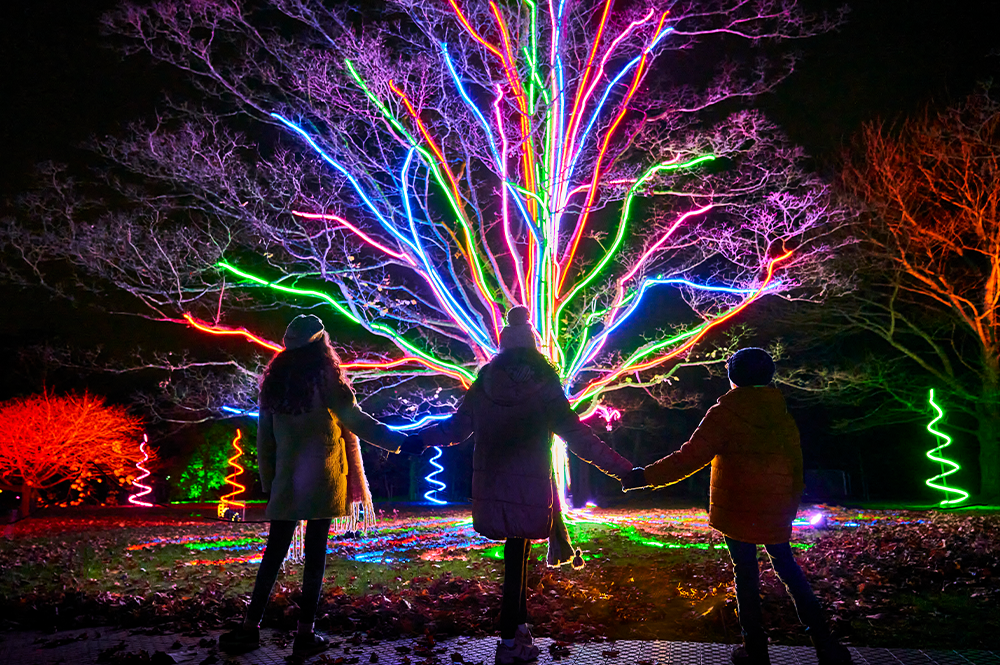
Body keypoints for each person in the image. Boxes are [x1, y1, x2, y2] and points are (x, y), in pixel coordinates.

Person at [418, 306, 634, 665]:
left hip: (493, 480)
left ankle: (516, 631)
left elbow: (456, 429)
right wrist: (623, 470)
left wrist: (415, 440)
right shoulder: (544, 386)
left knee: (514, 556)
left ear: (503, 347)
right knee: (518, 556)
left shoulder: (485, 383)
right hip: (531, 482)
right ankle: (509, 638)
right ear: (533, 347)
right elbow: (576, 434)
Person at [621, 347, 852, 665]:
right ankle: (825, 644)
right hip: (775, 507)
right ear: (769, 376)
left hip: (736, 508)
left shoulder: (725, 412)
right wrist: (790, 501)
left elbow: (690, 457)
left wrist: (645, 477)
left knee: (745, 574)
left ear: (732, 377)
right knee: (789, 570)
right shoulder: (780, 411)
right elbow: (795, 462)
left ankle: (755, 649)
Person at [219, 314, 413, 658]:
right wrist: (399, 441)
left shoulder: (275, 381)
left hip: (287, 481)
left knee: (273, 553)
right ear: (322, 344)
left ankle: (250, 628)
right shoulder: (327, 378)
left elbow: (265, 439)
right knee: (315, 556)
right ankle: (305, 633)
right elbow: (355, 421)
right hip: (323, 479)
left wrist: (269, 482)